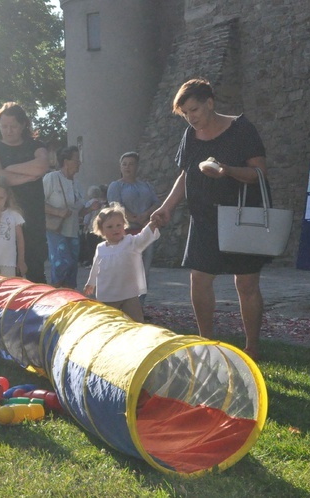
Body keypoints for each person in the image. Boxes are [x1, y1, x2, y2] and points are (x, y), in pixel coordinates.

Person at [151, 78, 270, 360]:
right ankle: (206, 344)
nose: (191, 119)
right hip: (204, 217)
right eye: (186, 114)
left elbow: (260, 174)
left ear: (210, 103)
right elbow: (185, 175)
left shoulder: (242, 129)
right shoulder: (190, 136)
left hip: (242, 216)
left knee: (246, 284)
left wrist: (227, 170)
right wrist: (166, 207)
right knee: (199, 280)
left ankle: (252, 346)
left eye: (195, 110)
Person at [0, 102, 49, 283]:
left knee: (35, 267)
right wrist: (28, 176)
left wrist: (10, 168)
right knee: (8, 271)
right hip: (4, 217)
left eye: (13, 126)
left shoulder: (36, 145)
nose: (8, 130)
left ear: (23, 125)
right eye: (4, 126)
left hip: (32, 215)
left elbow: (42, 166)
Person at [84, 203, 160, 323]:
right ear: (101, 231)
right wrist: (91, 282)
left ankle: (136, 338)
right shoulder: (101, 248)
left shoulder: (131, 243)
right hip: (107, 293)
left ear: (124, 226)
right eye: (110, 227)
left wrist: (151, 225)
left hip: (128, 292)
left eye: (119, 225)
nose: (115, 229)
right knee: (108, 322)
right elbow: (96, 266)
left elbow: (143, 237)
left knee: (136, 321)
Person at [107, 151, 161, 305]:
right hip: (126, 232)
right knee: (126, 270)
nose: (127, 167)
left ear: (137, 166)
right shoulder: (116, 186)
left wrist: (145, 215)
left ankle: (139, 305)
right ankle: (123, 305)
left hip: (145, 231)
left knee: (144, 269)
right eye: (124, 164)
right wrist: (134, 218)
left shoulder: (146, 186)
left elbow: (156, 203)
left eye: (131, 164)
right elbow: (115, 206)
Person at [43, 145, 100, 288]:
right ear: (66, 161)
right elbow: (37, 204)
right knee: (63, 262)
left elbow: (78, 213)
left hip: (73, 231)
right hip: (56, 230)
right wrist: (58, 212)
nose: (79, 163)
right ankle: (52, 293)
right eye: (76, 159)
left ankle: (69, 299)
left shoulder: (77, 185)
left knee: (72, 268)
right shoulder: (52, 178)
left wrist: (89, 209)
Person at [80, 185, 106, 266]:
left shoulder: (90, 203)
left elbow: (87, 215)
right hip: (99, 226)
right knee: (97, 245)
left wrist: (85, 224)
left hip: (91, 227)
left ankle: (92, 262)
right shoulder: (101, 203)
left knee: (90, 246)